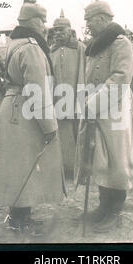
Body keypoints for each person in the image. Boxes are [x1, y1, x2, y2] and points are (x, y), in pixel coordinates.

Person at [0, 0, 64, 234]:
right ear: (33, 22)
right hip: (25, 111)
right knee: (23, 164)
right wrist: (49, 126)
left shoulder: (14, 43)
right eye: (42, 21)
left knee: (17, 164)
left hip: (14, 107)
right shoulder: (32, 47)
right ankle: (18, 219)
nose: (45, 26)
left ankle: (19, 216)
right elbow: (37, 90)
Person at [74, 0, 133, 233]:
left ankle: (115, 211)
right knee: (99, 156)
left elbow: (121, 78)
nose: (87, 25)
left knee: (116, 158)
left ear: (102, 18)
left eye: (90, 19)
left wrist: (92, 103)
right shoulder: (96, 45)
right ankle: (103, 206)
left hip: (116, 107)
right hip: (97, 105)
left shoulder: (121, 43)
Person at [50, 9, 86, 179]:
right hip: (58, 99)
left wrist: (81, 97)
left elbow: (84, 73)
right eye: (55, 30)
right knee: (63, 134)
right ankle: (66, 167)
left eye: (61, 30)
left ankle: (81, 169)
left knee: (79, 132)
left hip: (76, 97)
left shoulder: (80, 48)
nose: (57, 33)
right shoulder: (52, 51)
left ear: (70, 30)